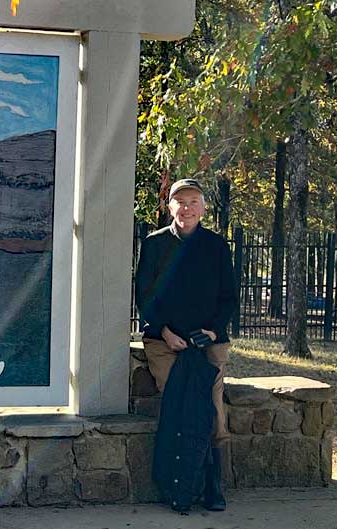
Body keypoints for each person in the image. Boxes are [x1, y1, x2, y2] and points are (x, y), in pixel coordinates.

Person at [134, 178, 236, 512]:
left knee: (211, 407)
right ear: (170, 206)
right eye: (180, 201)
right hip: (166, 342)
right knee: (180, 403)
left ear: (204, 207)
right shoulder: (154, 244)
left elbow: (229, 297)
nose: (187, 208)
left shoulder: (216, 246)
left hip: (207, 341)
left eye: (193, 201)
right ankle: (179, 484)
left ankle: (212, 484)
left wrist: (212, 329)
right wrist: (163, 331)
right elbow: (145, 295)